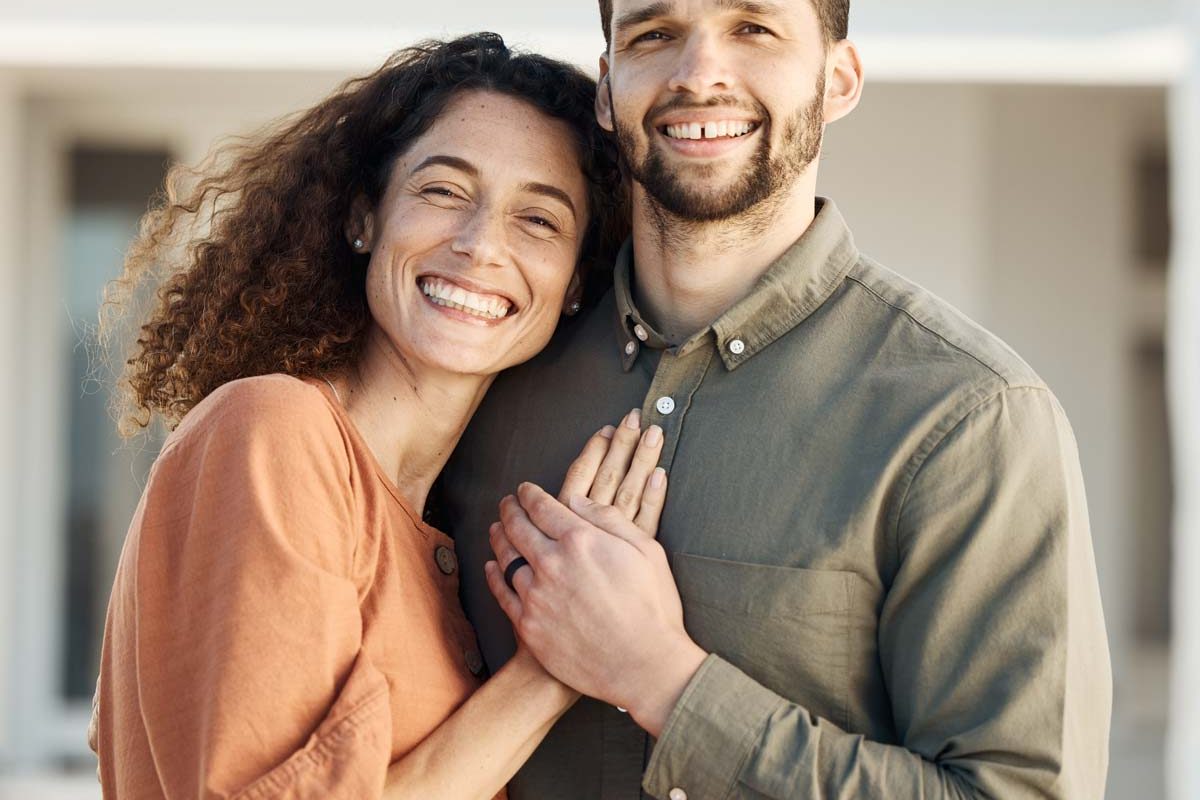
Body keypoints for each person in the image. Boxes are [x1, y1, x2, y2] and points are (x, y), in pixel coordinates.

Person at [441, 1, 1114, 798]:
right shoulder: (486, 375)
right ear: (605, 88)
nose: (698, 74)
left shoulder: (968, 419)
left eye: (753, 28)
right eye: (654, 35)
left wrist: (665, 681)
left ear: (839, 79)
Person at [91, 33, 663, 799]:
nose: (480, 244)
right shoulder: (274, 433)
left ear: (572, 287)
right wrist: (554, 671)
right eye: (444, 191)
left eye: (539, 220)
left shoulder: (449, 517)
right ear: (365, 218)